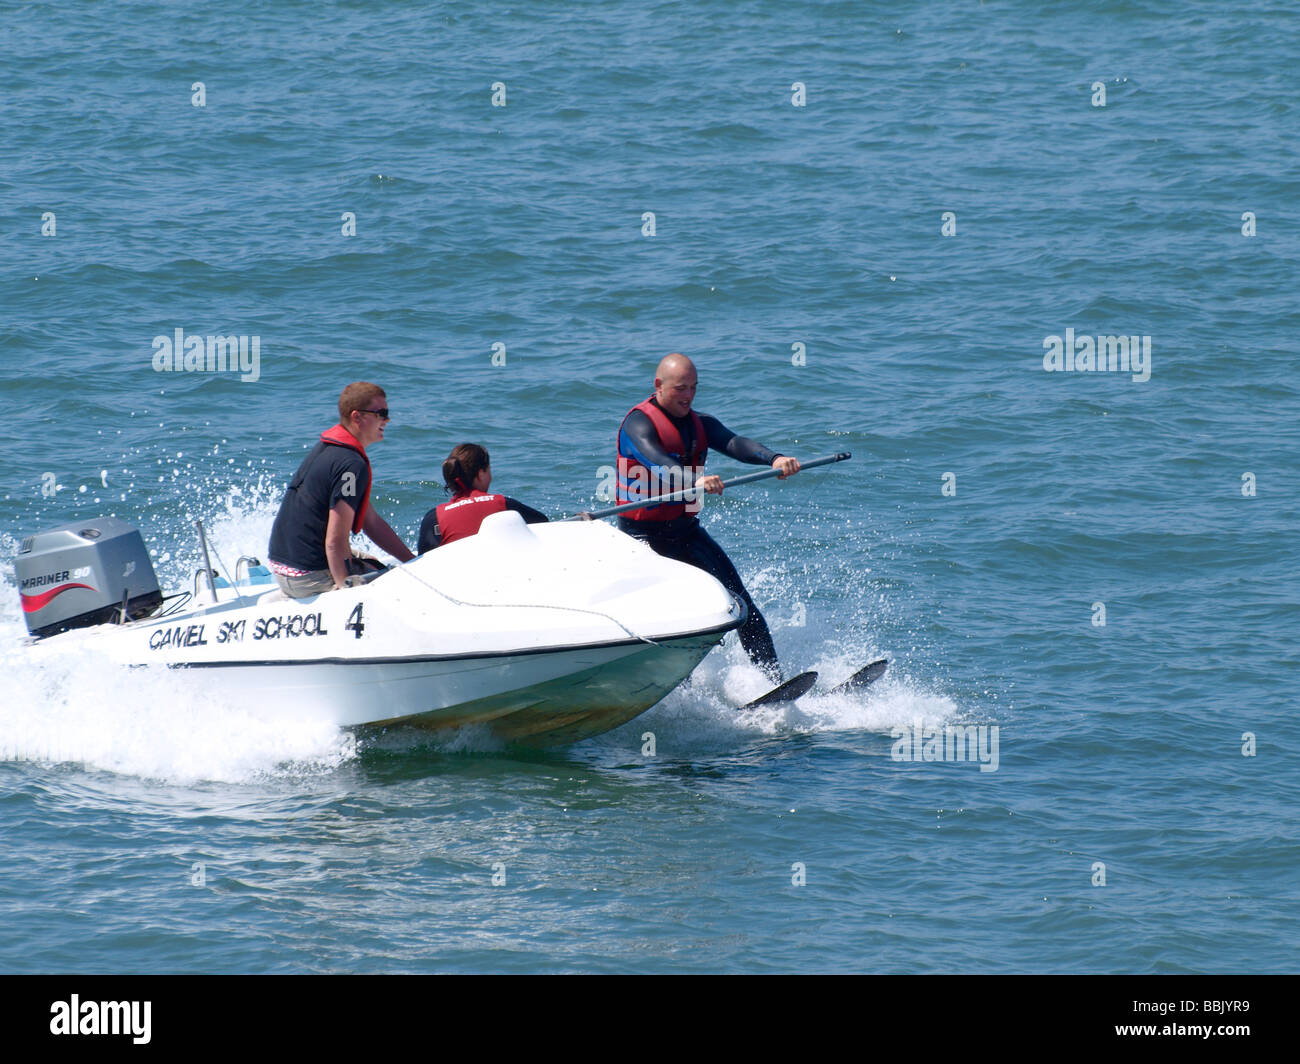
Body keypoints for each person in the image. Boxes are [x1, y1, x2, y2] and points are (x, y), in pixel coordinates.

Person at [616, 353, 800, 682]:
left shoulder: (700, 423)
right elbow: (657, 460)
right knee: (672, 619)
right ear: (658, 386)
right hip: (642, 539)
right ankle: (674, 693)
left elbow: (734, 442)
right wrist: (692, 480)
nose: (688, 395)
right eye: (680, 388)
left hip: (686, 533)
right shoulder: (637, 424)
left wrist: (774, 458)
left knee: (741, 606)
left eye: (694, 388)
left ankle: (773, 683)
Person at [267, 381, 415, 598]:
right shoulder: (351, 465)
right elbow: (335, 541)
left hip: (283, 569)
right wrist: (345, 593)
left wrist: (413, 561)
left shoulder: (331, 449)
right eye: (381, 413)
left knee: (375, 565)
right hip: (308, 575)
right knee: (392, 584)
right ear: (357, 417)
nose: (387, 419)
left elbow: (371, 522)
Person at [418, 443, 549, 552]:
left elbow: (423, 558)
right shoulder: (503, 504)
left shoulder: (435, 518)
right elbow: (544, 524)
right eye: (489, 470)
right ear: (481, 474)